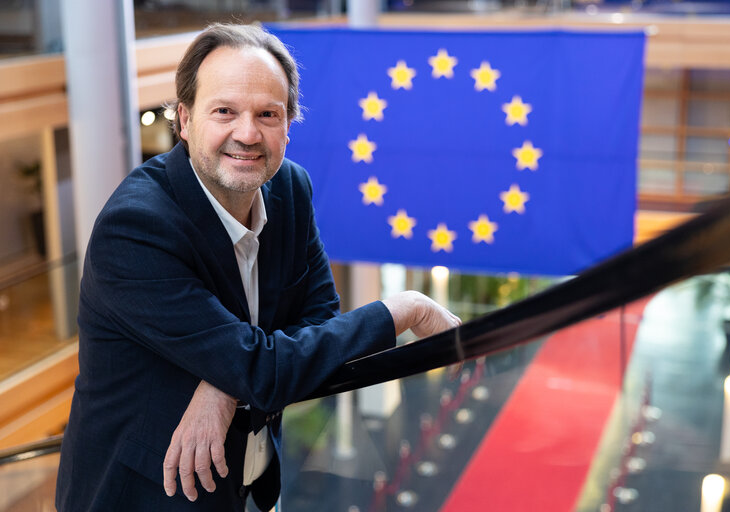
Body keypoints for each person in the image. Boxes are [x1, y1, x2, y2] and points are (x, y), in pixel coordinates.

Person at [55, 23, 460, 512]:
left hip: (249, 483)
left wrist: (226, 379)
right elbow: (263, 369)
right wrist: (402, 309)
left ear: (289, 123)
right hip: (145, 495)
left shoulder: (290, 188)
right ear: (184, 120)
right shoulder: (136, 228)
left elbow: (318, 320)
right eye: (224, 111)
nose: (247, 134)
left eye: (268, 114)